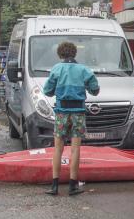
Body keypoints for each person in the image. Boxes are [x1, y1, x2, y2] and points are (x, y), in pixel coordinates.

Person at [42, 41, 100, 196]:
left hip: (61, 113)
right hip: (78, 114)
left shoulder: (56, 69)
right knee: (75, 150)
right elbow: (95, 90)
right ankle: (73, 186)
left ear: (60, 54)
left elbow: (47, 91)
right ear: (74, 53)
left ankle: (54, 186)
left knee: (58, 149)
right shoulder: (83, 70)